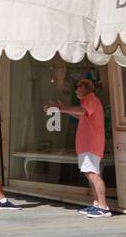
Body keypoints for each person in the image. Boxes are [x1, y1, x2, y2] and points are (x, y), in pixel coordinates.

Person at [47, 78, 110, 219]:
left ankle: (103, 207)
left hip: (91, 144)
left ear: (84, 88)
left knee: (93, 174)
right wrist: (62, 109)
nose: (75, 90)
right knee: (90, 174)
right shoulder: (87, 101)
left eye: (77, 87)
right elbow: (79, 113)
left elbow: (81, 111)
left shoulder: (91, 100)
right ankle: (96, 204)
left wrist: (61, 108)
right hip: (87, 144)